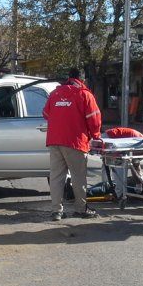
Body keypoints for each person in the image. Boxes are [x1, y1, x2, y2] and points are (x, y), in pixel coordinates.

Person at [42, 68, 102, 221]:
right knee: (78, 177)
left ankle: (56, 211)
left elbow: (46, 114)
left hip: (55, 141)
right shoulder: (84, 94)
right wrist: (96, 136)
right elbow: (94, 120)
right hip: (75, 142)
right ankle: (81, 209)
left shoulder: (55, 94)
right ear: (83, 79)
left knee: (56, 177)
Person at [103, 127, 143, 200]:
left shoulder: (141, 139)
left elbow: (135, 163)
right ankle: (120, 194)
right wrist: (139, 183)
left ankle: (106, 186)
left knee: (107, 163)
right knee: (119, 165)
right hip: (111, 139)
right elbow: (135, 164)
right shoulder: (141, 143)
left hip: (109, 136)